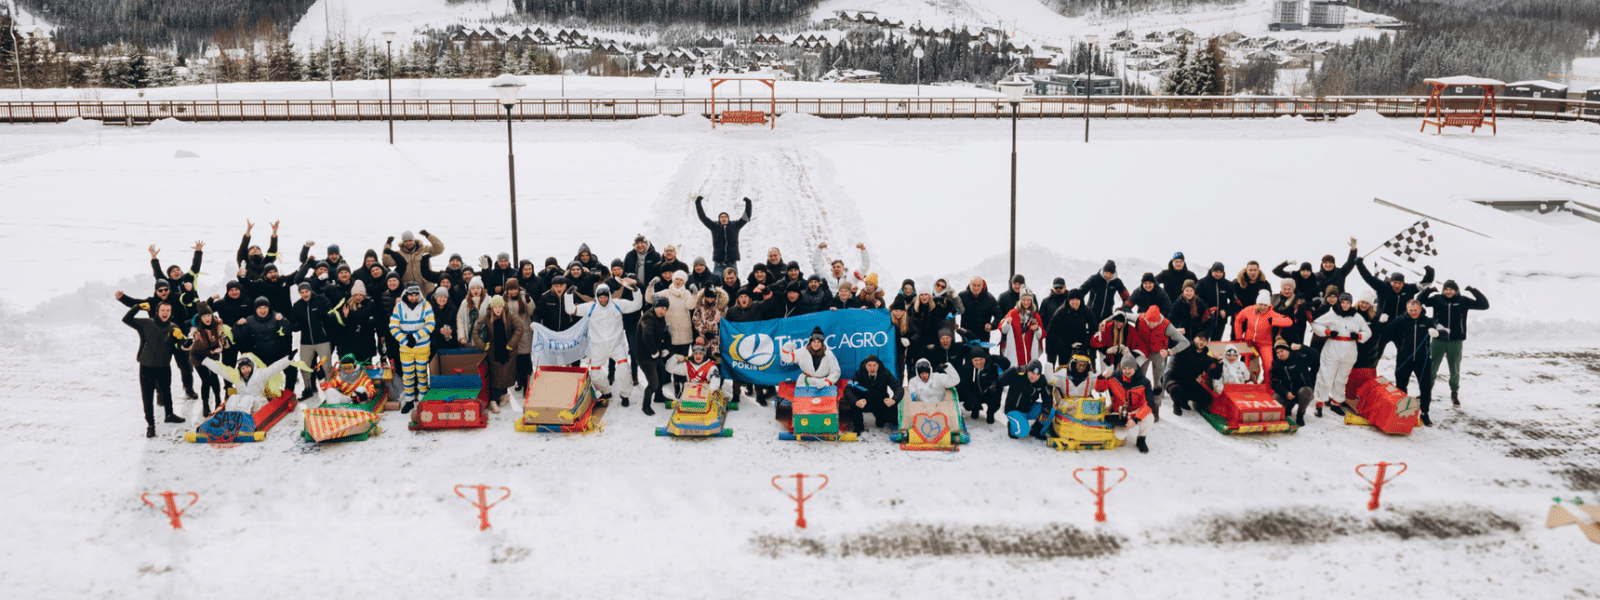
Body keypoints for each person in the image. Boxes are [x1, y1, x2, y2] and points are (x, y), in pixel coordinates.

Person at [118, 278, 198, 400]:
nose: (163, 292)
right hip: (161, 339)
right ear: (156, 291)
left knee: (184, 365)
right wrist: (122, 297)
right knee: (159, 367)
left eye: (166, 289)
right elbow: (134, 302)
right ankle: (160, 393)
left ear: (169, 289)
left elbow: (188, 299)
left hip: (178, 337)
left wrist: (189, 291)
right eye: (160, 290)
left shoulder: (177, 297)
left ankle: (189, 388)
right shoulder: (151, 302)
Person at [565, 282, 643, 404]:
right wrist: (568, 294)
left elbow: (636, 305)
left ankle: (625, 395)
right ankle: (606, 391)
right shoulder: (590, 307)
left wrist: (636, 291)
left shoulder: (617, 304)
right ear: (597, 296)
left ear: (609, 296)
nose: (603, 300)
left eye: (605, 297)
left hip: (617, 345)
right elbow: (571, 309)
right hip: (598, 347)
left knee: (623, 368)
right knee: (595, 374)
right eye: (600, 297)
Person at [121, 298, 186, 436]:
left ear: (171, 313)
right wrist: (137, 307)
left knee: (166, 391)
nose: (165, 313)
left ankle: (169, 415)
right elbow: (126, 319)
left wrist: (181, 338)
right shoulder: (146, 323)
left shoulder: (173, 327)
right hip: (147, 366)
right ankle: (150, 424)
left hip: (164, 366)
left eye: (168, 310)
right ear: (157, 312)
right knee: (147, 395)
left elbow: (181, 348)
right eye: (162, 310)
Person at [1419, 280, 1489, 406]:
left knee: (1454, 368)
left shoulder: (1463, 301)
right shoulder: (1437, 299)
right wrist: (1429, 290)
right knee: (1431, 367)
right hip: (1438, 339)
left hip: (1456, 341)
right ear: (1443, 290)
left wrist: (1473, 290)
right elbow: (1419, 301)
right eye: (1446, 289)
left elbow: (1484, 305)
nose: (1448, 291)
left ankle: (1454, 393)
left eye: (1451, 289)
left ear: (1456, 290)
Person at [1310, 292, 1371, 418]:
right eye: (1343, 302)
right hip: (1332, 348)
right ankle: (1319, 403)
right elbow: (1316, 323)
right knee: (1325, 376)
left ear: (1351, 303)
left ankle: (1336, 403)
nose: (1345, 305)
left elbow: (1367, 331)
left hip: (1349, 350)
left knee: (1342, 378)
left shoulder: (1357, 316)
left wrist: (1359, 336)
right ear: (1340, 303)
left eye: (1347, 303)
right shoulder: (1333, 313)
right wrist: (1327, 331)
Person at [1128, 304, 1190, 417]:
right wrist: (1106, 321)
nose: (1151, 325)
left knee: (1158, 381)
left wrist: (1170, 352)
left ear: (1159, 321)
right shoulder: (1139, 318)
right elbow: (1122, 315)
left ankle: (1156, 406)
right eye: (1148, 322)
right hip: (1144, 352)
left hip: (1159, 353)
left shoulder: (1166, 325)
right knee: (1139, 378)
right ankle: (1139, 404)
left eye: (1154, 323)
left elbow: (1185, 342)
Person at [1391, 299, 1446, 426]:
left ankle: (1424, 413)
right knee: (1401, 386)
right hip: (1404, 360)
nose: (1413, 312)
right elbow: (1386, 331)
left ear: (1421, 309)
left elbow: (1445, 332)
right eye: (1410, 310)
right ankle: (1401, 411)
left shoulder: (1429, 321)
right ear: (1407, 309)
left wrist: (1438, 333)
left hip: (1423, 361)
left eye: (1415, 310)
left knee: (1425, 388)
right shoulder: (1400, 320)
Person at [233, 296, 297, 396]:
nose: (262, 311)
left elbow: (288, 331)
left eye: (265, 308)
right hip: (261, 353)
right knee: (255, 373)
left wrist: (283, 320)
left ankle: (289, 391)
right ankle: (259, 392)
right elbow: (238, 336)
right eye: (260, 308)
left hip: (278, 349)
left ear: (269, 307)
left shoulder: (276, 316)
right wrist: (237, 325)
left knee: (292, 368)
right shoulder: (250, 320)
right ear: (256, 309)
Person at [472, 296, 524, 414]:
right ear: (491, 308)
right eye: (495, 307)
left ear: (503, 307)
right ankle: (493, 400)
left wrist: (511, 344)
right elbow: (475, 331)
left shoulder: (510, 316)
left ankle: (504, 395)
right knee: (496, 377)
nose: (498, 309)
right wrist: (482, 345)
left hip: (508, 353)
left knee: (505, 375)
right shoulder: (486, 317)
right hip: (493, 353)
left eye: (500, 306)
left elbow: (519, 329)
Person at [389, 283, 437, 412]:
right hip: (405, 348)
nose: (414, 298)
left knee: (422, 373)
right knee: (408, 374)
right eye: (411, 295)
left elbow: (431, 324)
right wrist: (404, 340)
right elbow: (393, 326)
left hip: (422, 345)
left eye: (416, 295)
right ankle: (409, 400)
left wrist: (415, 336)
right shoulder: (399, 307)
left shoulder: (425, 305)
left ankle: (422, 399)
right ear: (406, 294)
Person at [1095, 354, 1154, 453]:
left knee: (1149, 417)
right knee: (1120, 435)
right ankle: (1120, 430)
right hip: (1119, 412)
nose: (1127, 371)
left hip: (1135, 412)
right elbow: (1099, 389)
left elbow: (1149, 404)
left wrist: (1136, 419)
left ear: (1135, 367)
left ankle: (1141, 439)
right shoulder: (1114, 377)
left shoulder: (1144, 382)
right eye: (1124, 368)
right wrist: (1101, 377)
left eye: (1130, 368)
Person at [725, 287, 774, 405]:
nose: (743, 299)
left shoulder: (756, 306)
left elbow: (770, 302)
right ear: (738, 299)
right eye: (741, 297)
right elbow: (726, 326)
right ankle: (736, 395)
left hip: (755, 346)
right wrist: (719, 322)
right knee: (737, 371)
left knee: (756, 370)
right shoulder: (732, 311)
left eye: (745, 296)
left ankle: (759, 395)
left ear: (749, 298)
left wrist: (765, 290)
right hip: (739, 346)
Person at [1234, 291, 1293, 386]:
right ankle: (1251, 383)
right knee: (1250, 365)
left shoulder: (1271, 313)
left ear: (1269, 305)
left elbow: (1289, 321)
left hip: (1265, 343)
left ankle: (1267, 385)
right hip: (1250, 343)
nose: (1263, 307)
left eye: (1265, 305)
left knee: (1268, 365)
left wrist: (1273, 321)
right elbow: (1238, 320)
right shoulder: (1249, 310)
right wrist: (1239, 337)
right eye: (1260, 304)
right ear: (1257, 304)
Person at [289, 282, 334, 399]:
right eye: (302, 292)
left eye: (306, 291)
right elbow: (293, 323)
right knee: (304, 366)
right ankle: (308, 388)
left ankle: (330, 388)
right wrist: (297, 325)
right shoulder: (298, 305)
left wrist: (325, 316)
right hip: (306, 341)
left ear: (310, 291)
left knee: (326, 366)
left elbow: (331, 315)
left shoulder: (321, 300)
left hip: (322, 339)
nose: (305, 294)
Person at [183, 302, 228, 416]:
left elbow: (222, 336)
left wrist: (224, 341)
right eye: (204, 316)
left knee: (214, 377)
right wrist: (187, 341)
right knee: (206, 380)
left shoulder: (217, 324)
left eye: (209, 315)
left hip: (212, 355)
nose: (207, 318)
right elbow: (189, 338)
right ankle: (205, 404)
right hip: (198, 357)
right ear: (200, 318)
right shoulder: (196, 329)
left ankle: (218, 400)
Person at [1355, 259, 1435, 320]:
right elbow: (1369, 278)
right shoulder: (1383, 287)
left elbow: (1425, 284)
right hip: (1383, 323)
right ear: (1390, 282)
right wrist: (1360, 264)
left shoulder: (1408, 289)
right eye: (1395, 282)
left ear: (1403, 283)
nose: (1397, 285)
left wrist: (1429, 272)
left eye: (1400, 283)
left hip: (1401, 324)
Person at [842, 355, 903, 433]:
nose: (872, 368)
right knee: (854, 403)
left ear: (878, 365)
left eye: (874, 365)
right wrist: (856, 401)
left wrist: (894, 400)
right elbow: (847, 389)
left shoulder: (885, 373)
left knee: (883, 420)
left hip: (880, 402)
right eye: (869, 365)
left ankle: (892, 423)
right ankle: (858, 426)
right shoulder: (859, 373)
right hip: (865, 402)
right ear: (865, 365)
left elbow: (898, 388)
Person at [1163, 332, 1218, 416]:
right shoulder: (1184, 347)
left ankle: (1184, 399)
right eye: (1200, 339)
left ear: (1207, 343)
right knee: (1175, 389)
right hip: (1174, 379)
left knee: (1207, 398)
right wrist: (1172, 332)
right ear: (1195, 339)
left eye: (1204, 341)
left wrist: (1219, 363)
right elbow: (1169, 342)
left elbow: (1215, 375)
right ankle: (1177, 404)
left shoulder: (1206, 358)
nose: (1202, 342)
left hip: (1189, 382)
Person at [696, 196, 752, 276]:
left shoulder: (735, 226)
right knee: (717, 282)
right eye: (721, 217)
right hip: (718, 264)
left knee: (733, 281)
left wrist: (748, 203)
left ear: (728, 218)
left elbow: (746, 217)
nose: (723, 218)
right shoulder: (714, 226)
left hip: (732, 263)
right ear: (719, 219)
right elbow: (703, 217)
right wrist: (698, 202)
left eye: (725, 217)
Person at [1269, 340, 1320, 425]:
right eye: (1277, 353)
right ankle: (1288, 407)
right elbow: (1274, 384)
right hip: (1288, 393)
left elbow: (1315, 354)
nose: (1280, 354)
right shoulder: (1276, 364)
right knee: (1275, 397)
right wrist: (1285, 392)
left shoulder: (1299, 357)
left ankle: (1300, 414)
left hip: (1302, 391)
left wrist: (1301, 347)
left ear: (1287, 350)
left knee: (1306, 391)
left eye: (1282, 351)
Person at [635, 297, 672, 415]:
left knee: (661, 375)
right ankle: (646, 405)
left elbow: (664, 334)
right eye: (662, 308)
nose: (663, 311)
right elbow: (647, 335)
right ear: (656, 306)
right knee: (653, 383)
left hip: (655, 355)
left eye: (666, 309)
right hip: (645, 357)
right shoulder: (648, 317)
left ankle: (659, 396)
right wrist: (654, 351)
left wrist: (666, 348)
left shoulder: (660, 317)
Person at [999, 360, 1054, 437]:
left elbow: (1047, 397)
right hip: (1014, 410)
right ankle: (1012, 428)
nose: (1034, 376)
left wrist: (1045, 411)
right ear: (1028, 370)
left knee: (1050, 410)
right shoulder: (1018, 375)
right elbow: (1001, 381)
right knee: (1023, 432)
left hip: (1029, 409)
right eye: (1032, 373)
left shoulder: (1041, 380)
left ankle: (1037, 430)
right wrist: (1013, 370)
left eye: (1037, 374)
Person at [330, 280, 379, 364]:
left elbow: (377, 320)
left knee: (365, 366)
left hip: (366, 341)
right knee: (350, 367)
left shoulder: (370, 304)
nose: (358, 297)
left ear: (364, 295)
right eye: (356, 295)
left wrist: (368, 322)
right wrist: (345, 316)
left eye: (360, 295)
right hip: (350, 342)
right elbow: (341, 325)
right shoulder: (347, 305)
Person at [383, 230, 445, 295]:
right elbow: (387, 262)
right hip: (409, 289)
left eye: (410, 240)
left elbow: (439, 249)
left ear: (414, 240)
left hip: (426, 287)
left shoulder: (424, 249)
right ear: (403, 242)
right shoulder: (399, 254)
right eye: (405, 241)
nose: (408, 243)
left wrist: (428, 235)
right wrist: (388, 244)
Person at [997, 289, 1046, 368]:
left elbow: (1040, 335)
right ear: (1020, 300)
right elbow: (1003, 330)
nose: (1026, 302)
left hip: (1029, 350)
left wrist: (1037, 329)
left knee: (1029, 369)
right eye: (1023, 300)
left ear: (1031, 301)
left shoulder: (1036, 315)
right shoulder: (1012, 313)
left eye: (1028, 300)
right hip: (1016, 350)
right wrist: (1007, 323)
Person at [665, 344, 731, 401]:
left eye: (700, 353)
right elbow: (669, 368)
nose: (698, 356)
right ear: (693, 355)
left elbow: (715, 382)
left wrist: (707, 392)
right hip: (691, 394)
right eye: (695, 353)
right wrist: (675, 357)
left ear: (704, 355)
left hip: (708, 394)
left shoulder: (711, 366)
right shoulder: (687, 365)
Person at [957, 347, 1005, 423]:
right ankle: (975, 409)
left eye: (981, 359)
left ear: (985, 358)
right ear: (971, 360)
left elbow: (1007, 364)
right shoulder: (966, 368)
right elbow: (965, 388)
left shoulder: (992, 365)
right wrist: (975, 402)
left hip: (989, 392)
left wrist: (996, 358)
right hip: (975, 393)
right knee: (969, 405)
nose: (978, 362)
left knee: (995, 400)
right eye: (975, 360)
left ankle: (990, 413)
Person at [1045, 290, 1093, 365]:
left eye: (1077, 299)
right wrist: (1061, 343)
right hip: (1064, 345)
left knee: (1081, 366)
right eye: (1072, 300)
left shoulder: (1087, 311)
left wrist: (1086, 343)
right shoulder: (1061, 311)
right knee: (1064, 367)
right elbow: (1051, 330)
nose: (1075, 302)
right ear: (1068, 300)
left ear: (1081, 300)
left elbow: (1094, 328)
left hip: (1082, 345)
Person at [1195, 262, 1237, 341]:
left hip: (1220, 321)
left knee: (1216, 343)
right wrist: (1206, 310)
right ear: (1211, 271)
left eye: (1220, 272)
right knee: (1202, 342)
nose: (1218, 274)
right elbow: (1196, 300)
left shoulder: (1228, 285)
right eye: (1216, 271)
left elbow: (1236, 302)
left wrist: (1227, 312)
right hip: (1205, 320)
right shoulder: (1202, 283)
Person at [691, 286, 728, 360]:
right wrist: (704, 332)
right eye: (708, 298)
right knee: (704, 359)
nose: (710, 300)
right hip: (704, 338)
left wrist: (718, 325)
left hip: (718, 340)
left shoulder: (721, 307)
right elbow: (696, 320)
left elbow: (726, 321)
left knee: (717, 360)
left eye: (712, 298)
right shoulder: (700, 306)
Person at [957, 277, 998, 343]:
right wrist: (954, 324)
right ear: (969, 285)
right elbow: (953, 310)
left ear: (982, 286)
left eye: (978, 285)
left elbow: (999, 315)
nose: (976, 288)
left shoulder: (990, 299)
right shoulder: (962, 296)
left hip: (983, 335)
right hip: (966, 334)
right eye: (974, 285)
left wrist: (992, 325)